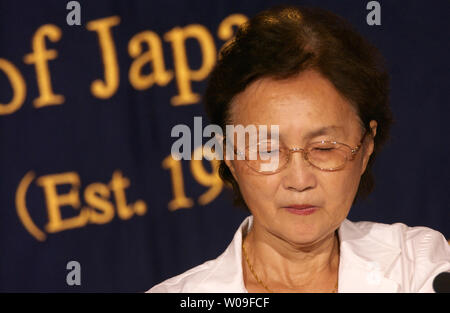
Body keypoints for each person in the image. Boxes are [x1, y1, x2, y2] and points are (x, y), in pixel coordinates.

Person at [148, 5, 450, 293]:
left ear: (366, 145)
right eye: (266, 150)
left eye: (324, 147)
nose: (300, 180)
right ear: (229, 154)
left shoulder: (421, 267)